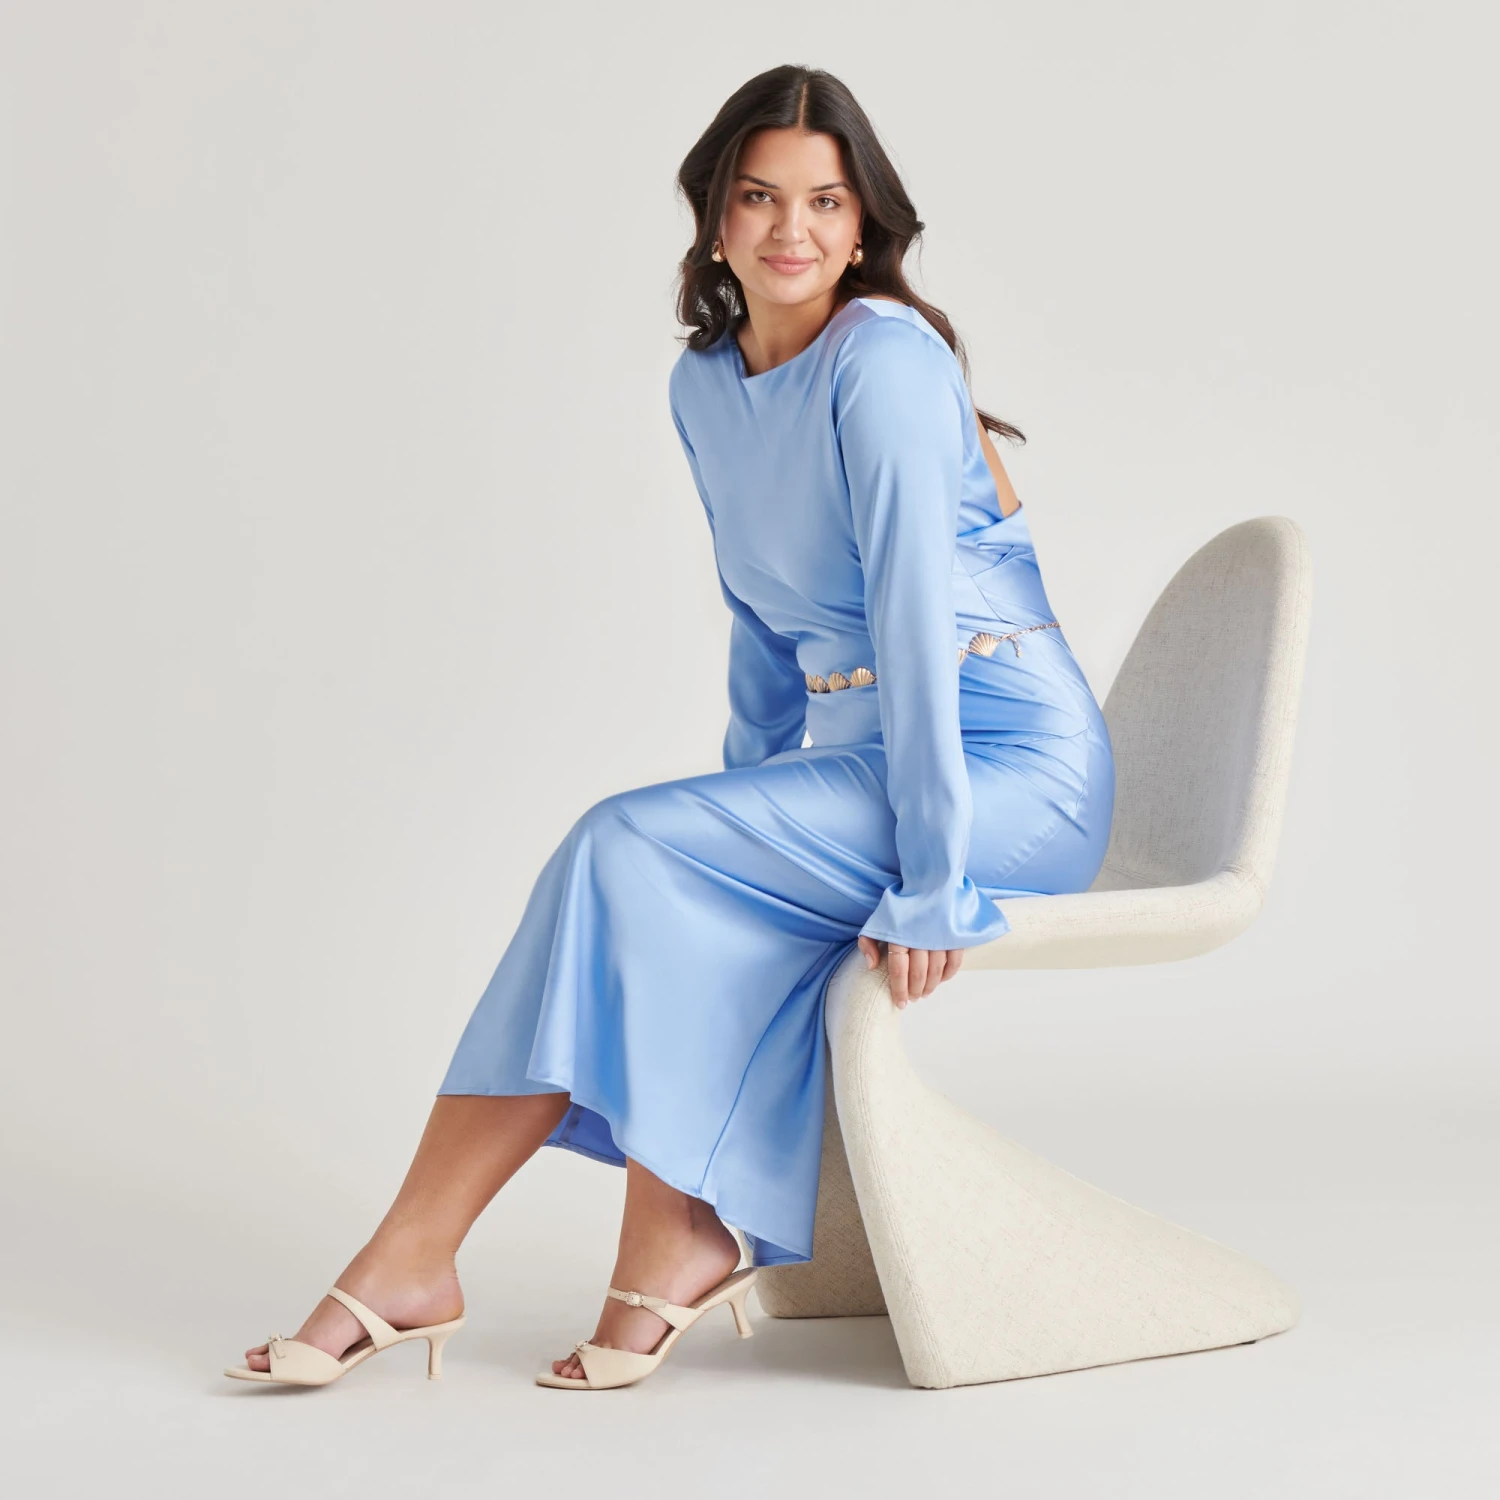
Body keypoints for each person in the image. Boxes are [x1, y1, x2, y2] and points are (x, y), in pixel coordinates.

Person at [223, 63, 1115, 1393]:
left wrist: (936, 878)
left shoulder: (883, 361)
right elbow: (762, 623)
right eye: (760, 197)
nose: (792, 229)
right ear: (714, 217)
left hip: (1011, 775)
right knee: (656, 869)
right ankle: (665, 1244)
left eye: (825, 202)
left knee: (625, 845)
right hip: (866, 767)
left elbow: (914, 624)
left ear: (863, 228)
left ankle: (423, 1257)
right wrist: (739, 808)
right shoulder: (705, 385)